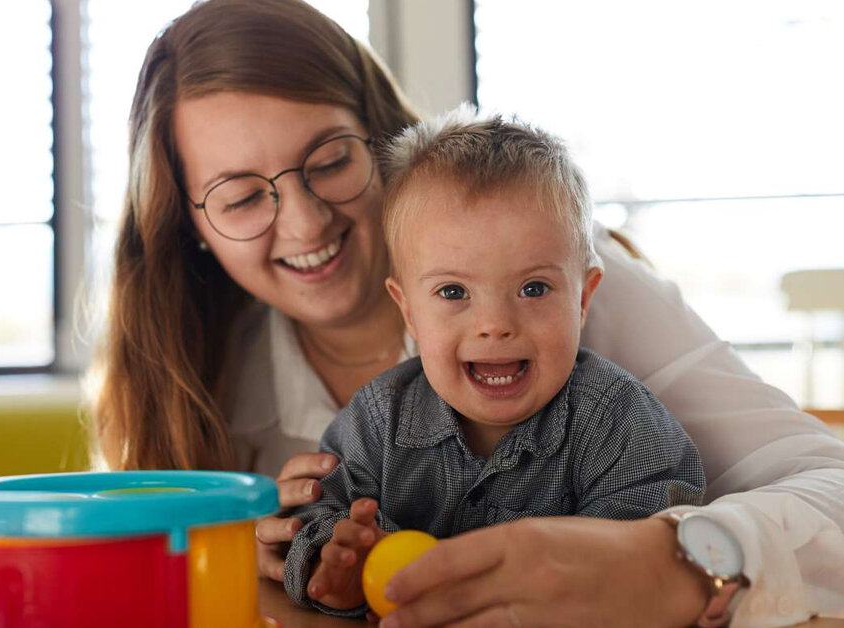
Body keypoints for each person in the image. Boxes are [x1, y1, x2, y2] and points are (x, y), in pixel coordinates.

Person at [88, 0, 844, 626]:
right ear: (189, 228)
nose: (305, 225)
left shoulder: (571, 293)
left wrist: (674, 563)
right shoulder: (199, 380)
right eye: (238, 197)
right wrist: (281, 562)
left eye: (331, 161)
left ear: (381, 143)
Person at [283, 109, 706, 615]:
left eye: (533, 288)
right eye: (453, 291)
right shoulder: (377, 419)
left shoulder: (618, 423)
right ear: (409, 311)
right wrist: (337, 563)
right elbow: (312, 521)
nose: (495, 324)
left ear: (582, 299)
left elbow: (654, 553)